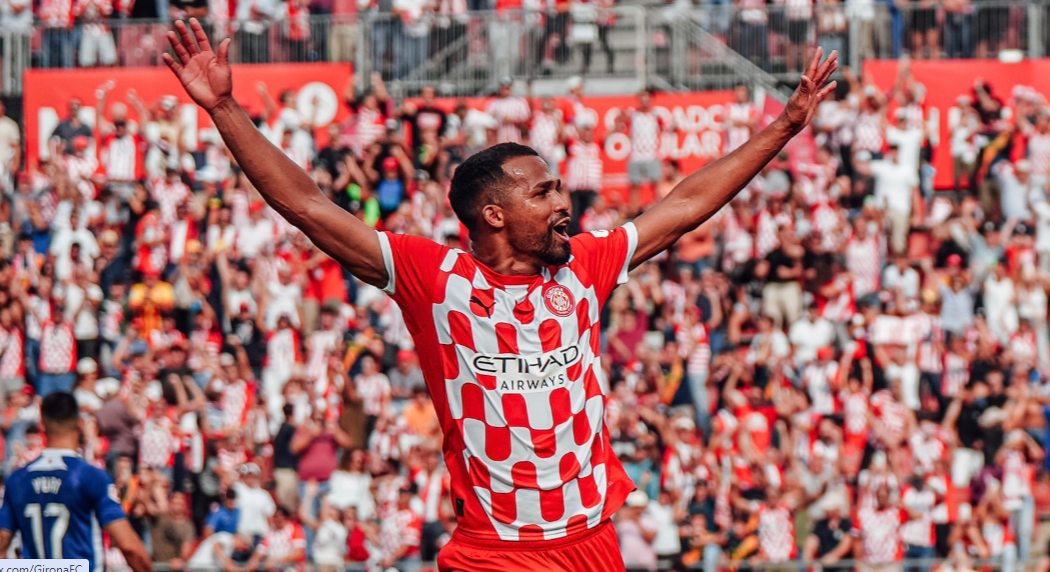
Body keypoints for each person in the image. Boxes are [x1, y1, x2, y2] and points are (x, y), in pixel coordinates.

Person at [162, 19, 837, 571]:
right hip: (496, 553)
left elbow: (685, 205)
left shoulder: (585, 266)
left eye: (558, 188)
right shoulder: (435, 279)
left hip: (592, 541)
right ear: (493, 214)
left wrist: (784, 126)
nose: (563, 202)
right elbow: (310, 207)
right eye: (543, 192)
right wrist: (224, 109)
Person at [0, 392, 154, 572]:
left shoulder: (18, 479)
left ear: (42, 425)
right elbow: (129, 547)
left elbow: (2, 544)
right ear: (80, 423)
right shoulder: (90, 476)